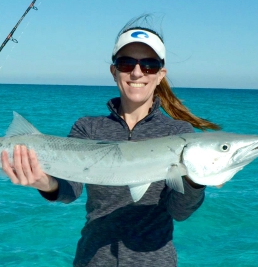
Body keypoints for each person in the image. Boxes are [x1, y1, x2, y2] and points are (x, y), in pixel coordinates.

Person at [1, 15, 220, 266]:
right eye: (126, 64)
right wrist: (45, 183)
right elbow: (71, 190)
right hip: (92, 259)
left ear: (160, 74)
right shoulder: (88, 127)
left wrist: (195, 180)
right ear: (113, 71)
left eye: (148, 65)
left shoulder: (179, 132)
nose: (137, 73)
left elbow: (179, 212)